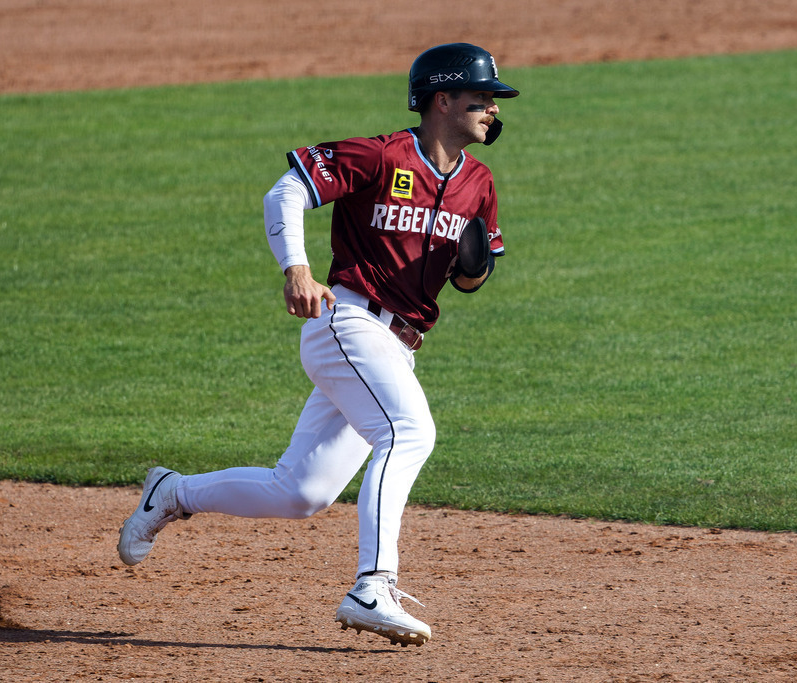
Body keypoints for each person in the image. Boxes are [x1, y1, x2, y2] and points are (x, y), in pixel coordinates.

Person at [117, 43, 519, 647]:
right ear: (442, 100)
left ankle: (171, 491)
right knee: (409, 433)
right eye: (482, 97)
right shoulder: (380, 155)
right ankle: (372, 585)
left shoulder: (479, 184)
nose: (492, 108)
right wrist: (296, 269)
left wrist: (473, 264)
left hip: (398, 344)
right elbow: (285, 192)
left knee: (301, 491)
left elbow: (469, 280)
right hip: (348, 323)